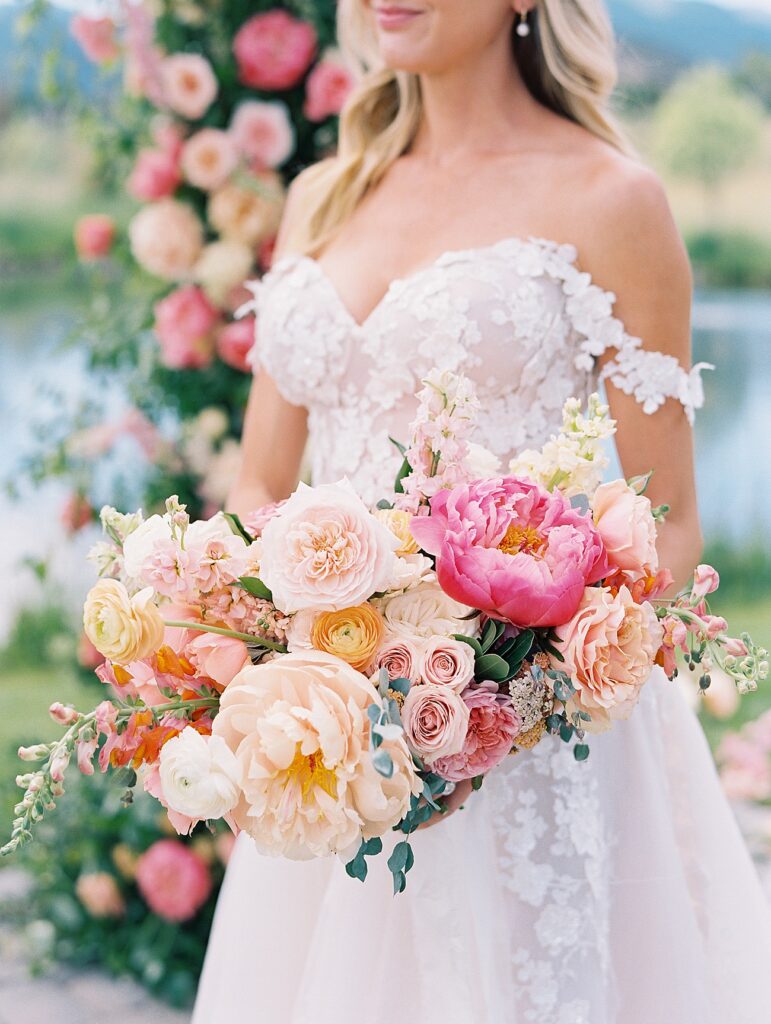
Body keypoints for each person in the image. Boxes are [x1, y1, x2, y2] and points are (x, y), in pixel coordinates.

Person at [193, 2, 771, 1021]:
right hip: (335, 743)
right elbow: (257, 484)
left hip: (533, 746)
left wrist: (506, 681)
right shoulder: (325, 195)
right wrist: (294, 635)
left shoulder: (611, 197)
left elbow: (668, 525)